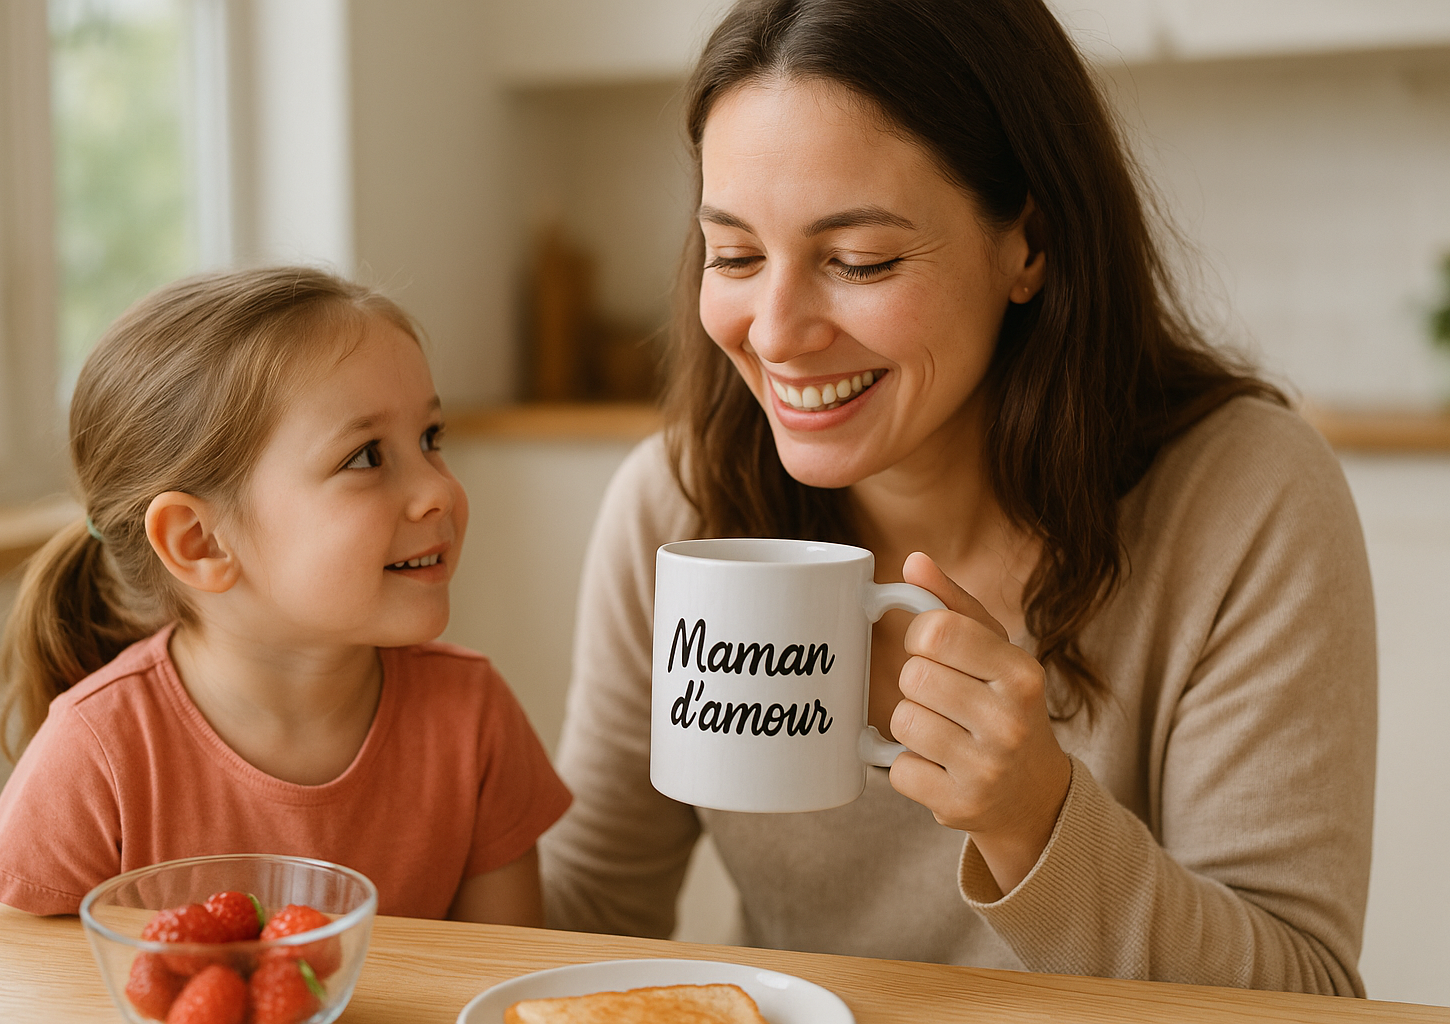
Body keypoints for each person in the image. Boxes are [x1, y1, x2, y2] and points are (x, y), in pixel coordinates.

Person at [540, 0, 1376, 995]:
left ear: (1030, 242)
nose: (775, 332)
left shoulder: (1243, 502)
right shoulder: (679, 509)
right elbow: (588, 917)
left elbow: (1307, 999)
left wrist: (1037, 822)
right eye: (736, 256)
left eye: (859, 261)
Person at [0, 266, 571, 923]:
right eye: (366, 456)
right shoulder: (95, 751)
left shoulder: (475, 717)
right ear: (199, 542)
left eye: (431, 439)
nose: (438, 491)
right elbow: (22, 976)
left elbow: (507, 976)